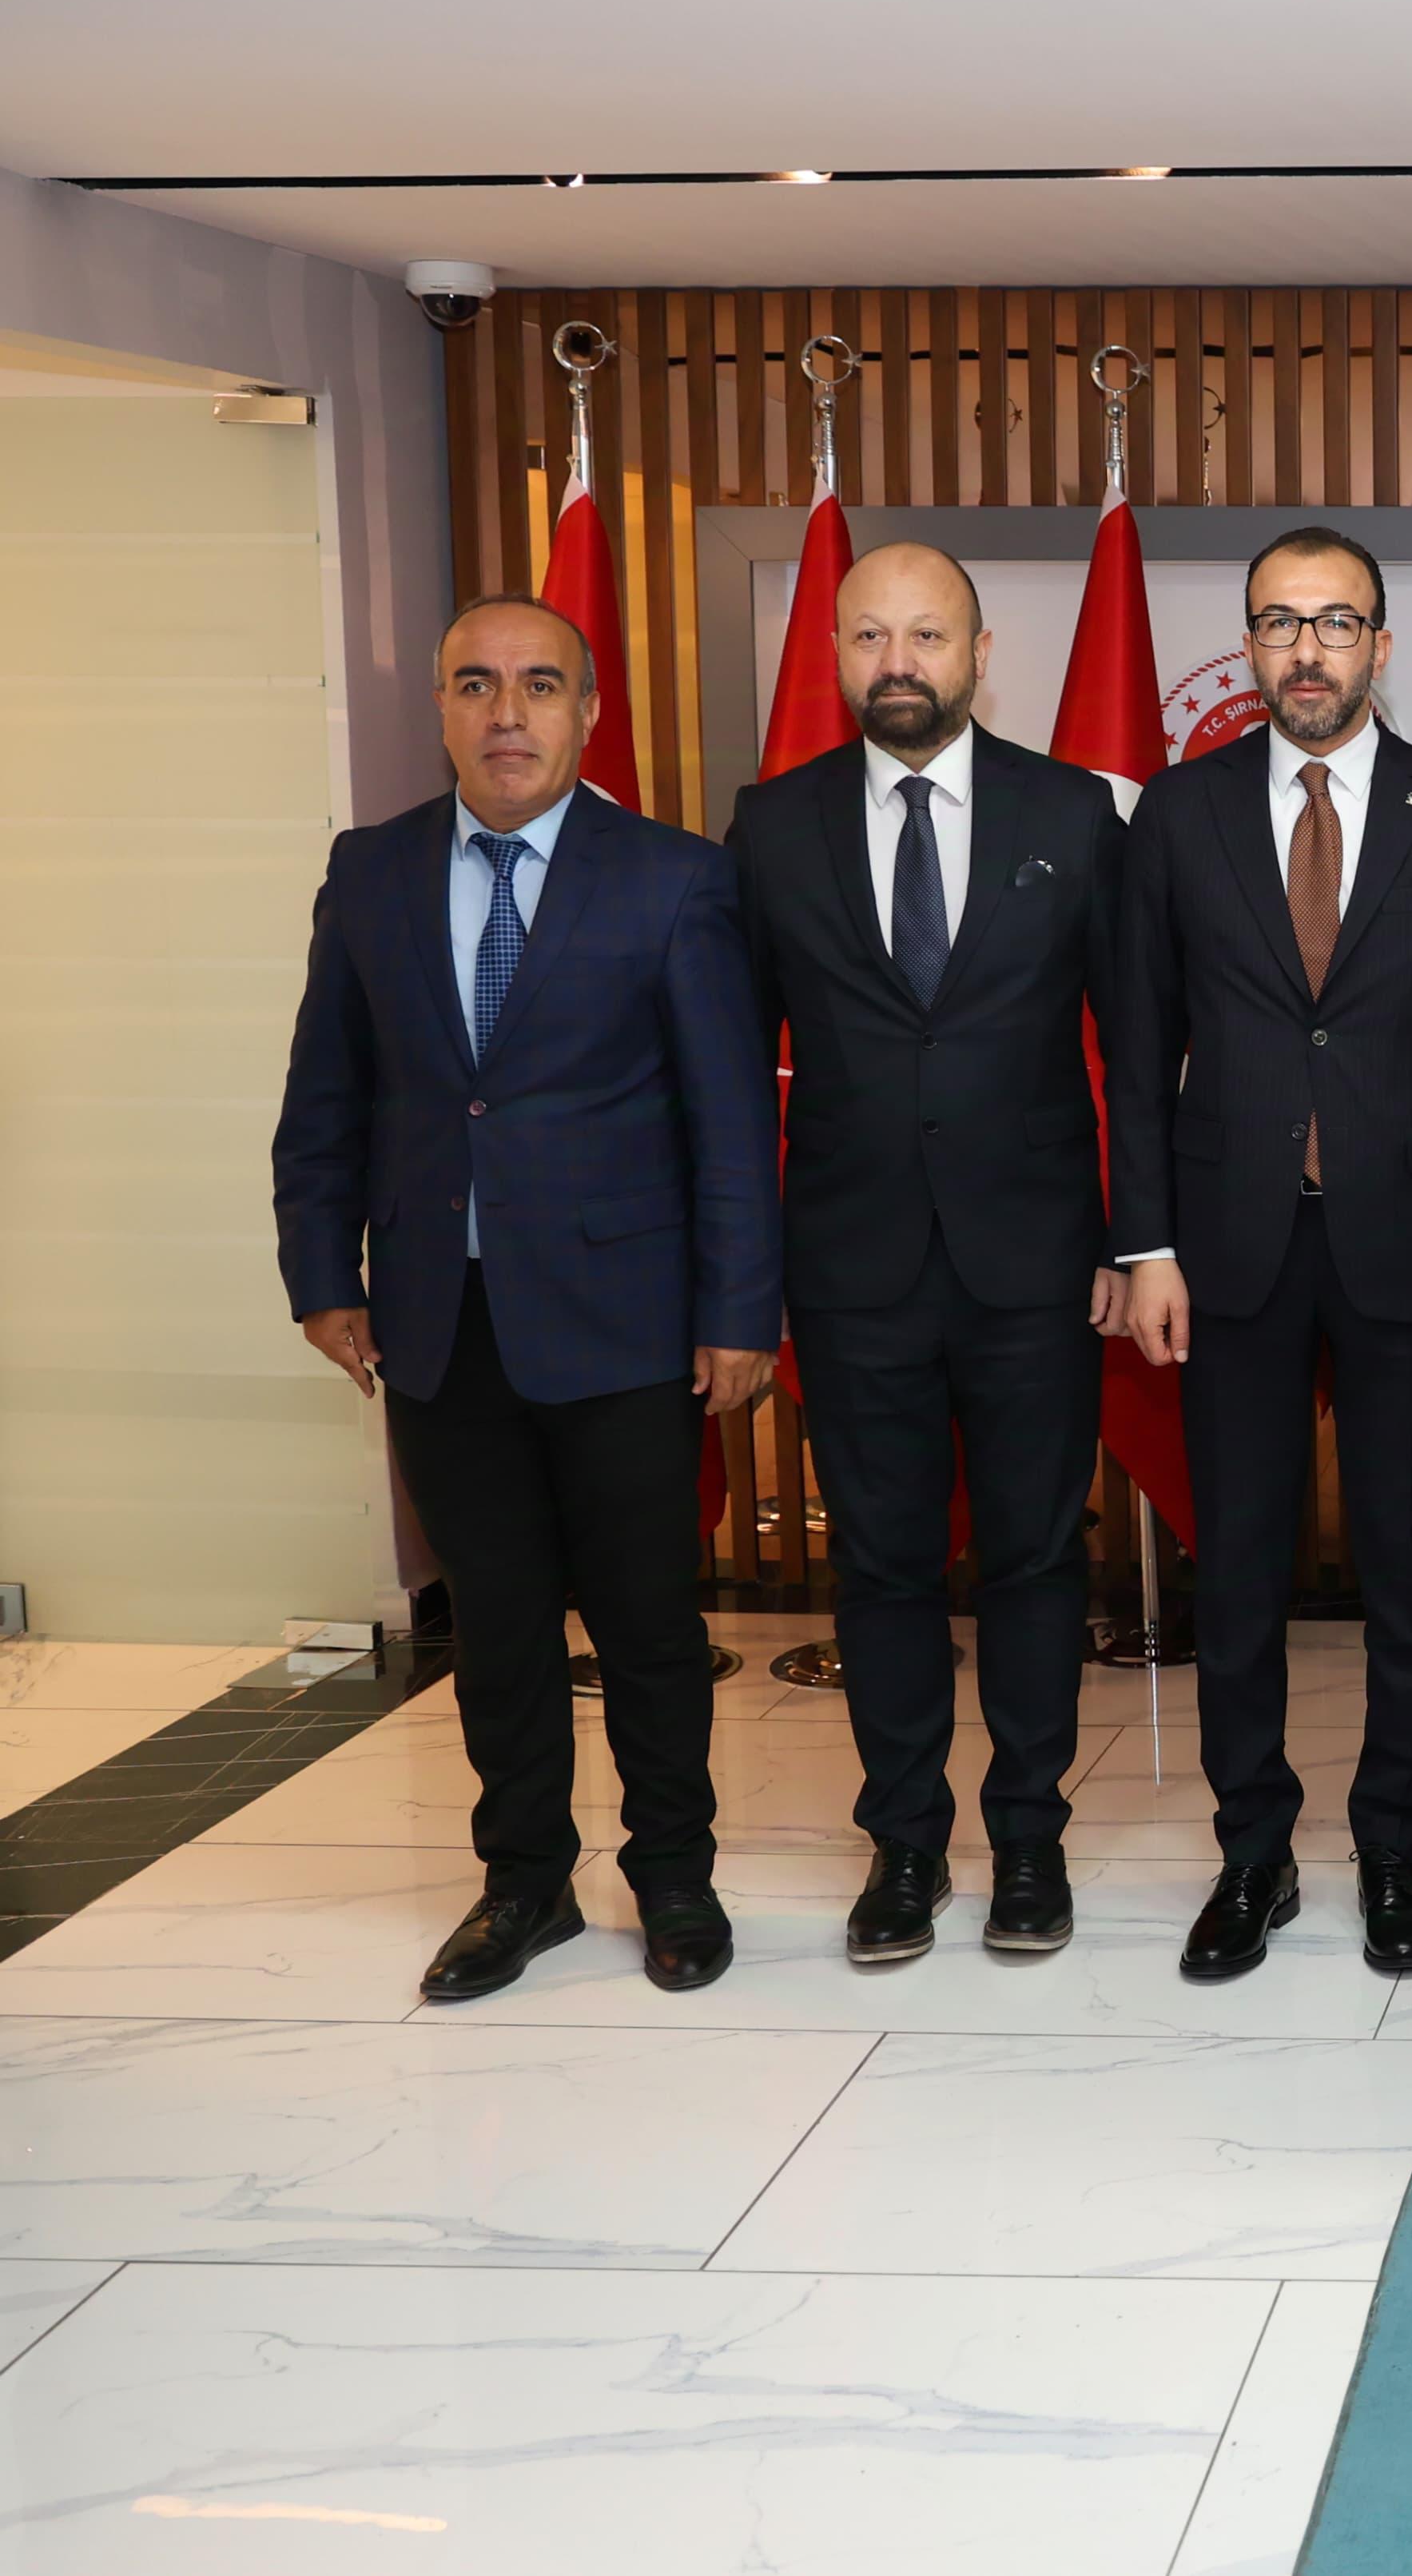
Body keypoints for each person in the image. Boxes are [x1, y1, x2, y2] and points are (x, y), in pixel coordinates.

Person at [274, 598, 779, 2002]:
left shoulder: (673, 879)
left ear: (587, 712)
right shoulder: (368, 874)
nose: (508, 712)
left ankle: (673, 1876)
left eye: (539, 685)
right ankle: (524, 1886)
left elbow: (730, 1119)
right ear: (439, 708)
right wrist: (323, 1275)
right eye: (478, 685)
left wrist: (740, 1310)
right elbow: (327, 1094)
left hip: (625, 1323)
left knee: (647, 1624)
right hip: (439, 1319)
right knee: (493, 1627)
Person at [1110, 529, 1412, 1985]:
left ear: (1382, 647)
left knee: (1409, 1560)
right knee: (1241, 1571)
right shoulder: (1178, 813)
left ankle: (1393, 1847)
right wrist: (1144, 1243)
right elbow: (1142, 1041)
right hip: (1228, 1249)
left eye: (1336, 623)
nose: (1306, 651)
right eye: (1278, 624)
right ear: (1252, 647)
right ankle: (1253, 1853)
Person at [727, 543, 1127, 1966]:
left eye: (928, 636)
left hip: (1035, 1265)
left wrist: (1137, 1240)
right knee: (884, 1571)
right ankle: (905, 1846)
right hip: (851, 1267)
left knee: (1031, 1565)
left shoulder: (1074, 814)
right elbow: (728, 1069)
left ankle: (1027, 1845)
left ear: (979, 651)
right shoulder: (770, 828)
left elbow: (1137, 1051)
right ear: (835, 654)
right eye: (869, 637)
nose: (899, 662)